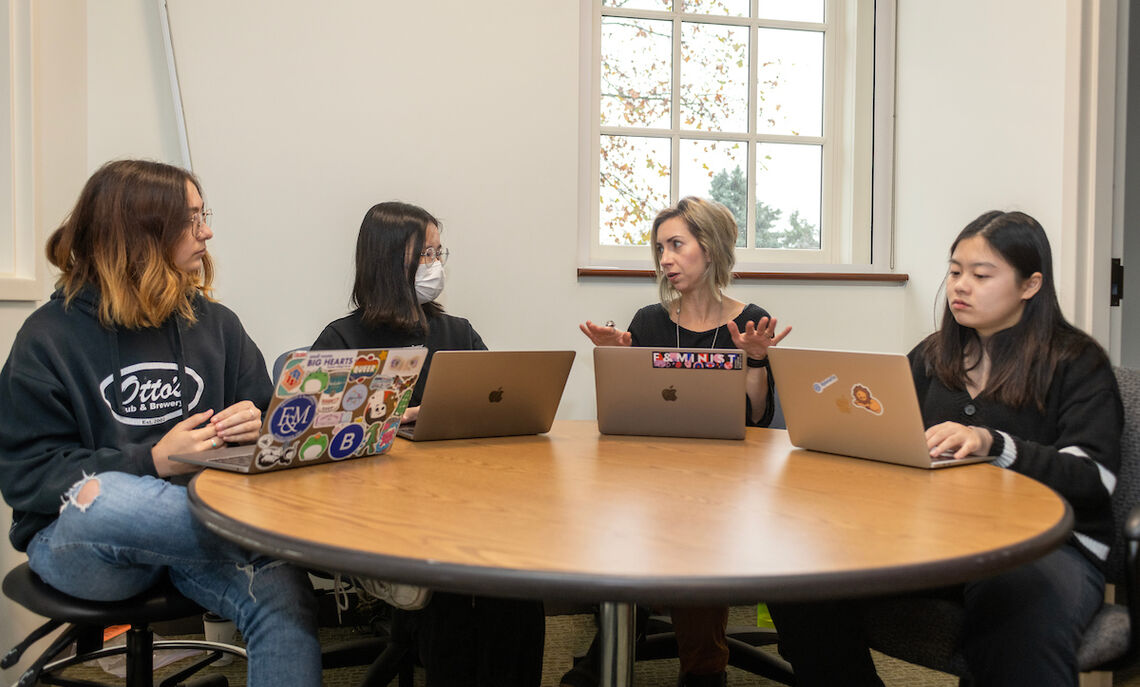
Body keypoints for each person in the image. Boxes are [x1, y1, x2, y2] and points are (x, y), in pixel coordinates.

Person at [767, 210, 1123, 687]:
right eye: (955, 271)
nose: (960, 286)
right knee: (800, 574)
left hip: (1047, 547)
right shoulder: (935, 355)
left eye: (981, 275)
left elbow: (1094, 478)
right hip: (937, 537)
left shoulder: (1076, 362)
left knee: (1014, 598)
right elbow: (894, 438)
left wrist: (994, 444)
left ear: (1030, 285)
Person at [0, 160, 321, 686]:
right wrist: (152, 460)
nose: (207, 232)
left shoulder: (216, 324)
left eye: (204, 215)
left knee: (284, 593)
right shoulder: (46, 338)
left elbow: (265, 421)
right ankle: (298, 535)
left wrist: (257, 423)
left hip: (196, 538)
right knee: (102, 498)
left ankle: (275, 540)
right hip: (83, 543)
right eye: (192, 220)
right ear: (140, 236)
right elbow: (27, 476)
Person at [310, 200, 545, 687]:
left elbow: (498, 408)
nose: (435, 265)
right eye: (425, 255)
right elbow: (316, 440)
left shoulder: (456, 332)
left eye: (439, 253)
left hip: (461, 499)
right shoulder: (341, 341)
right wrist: (395, 418)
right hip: (383, 509)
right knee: (455, 587)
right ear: (387, 260)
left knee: (519, 578)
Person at [570, 196, 791, 687]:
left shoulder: (748, 318)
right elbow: (622, 416)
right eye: (660, 248)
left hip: (727, 478)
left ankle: (698, 667)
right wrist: (614, 363)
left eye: (676, 245)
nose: (665, 258)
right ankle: (626, 653)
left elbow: (757, 417)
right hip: (652, 473)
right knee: (635, 518)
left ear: (709, 249)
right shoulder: (649, 320)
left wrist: (755, 360)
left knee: (696, 527)